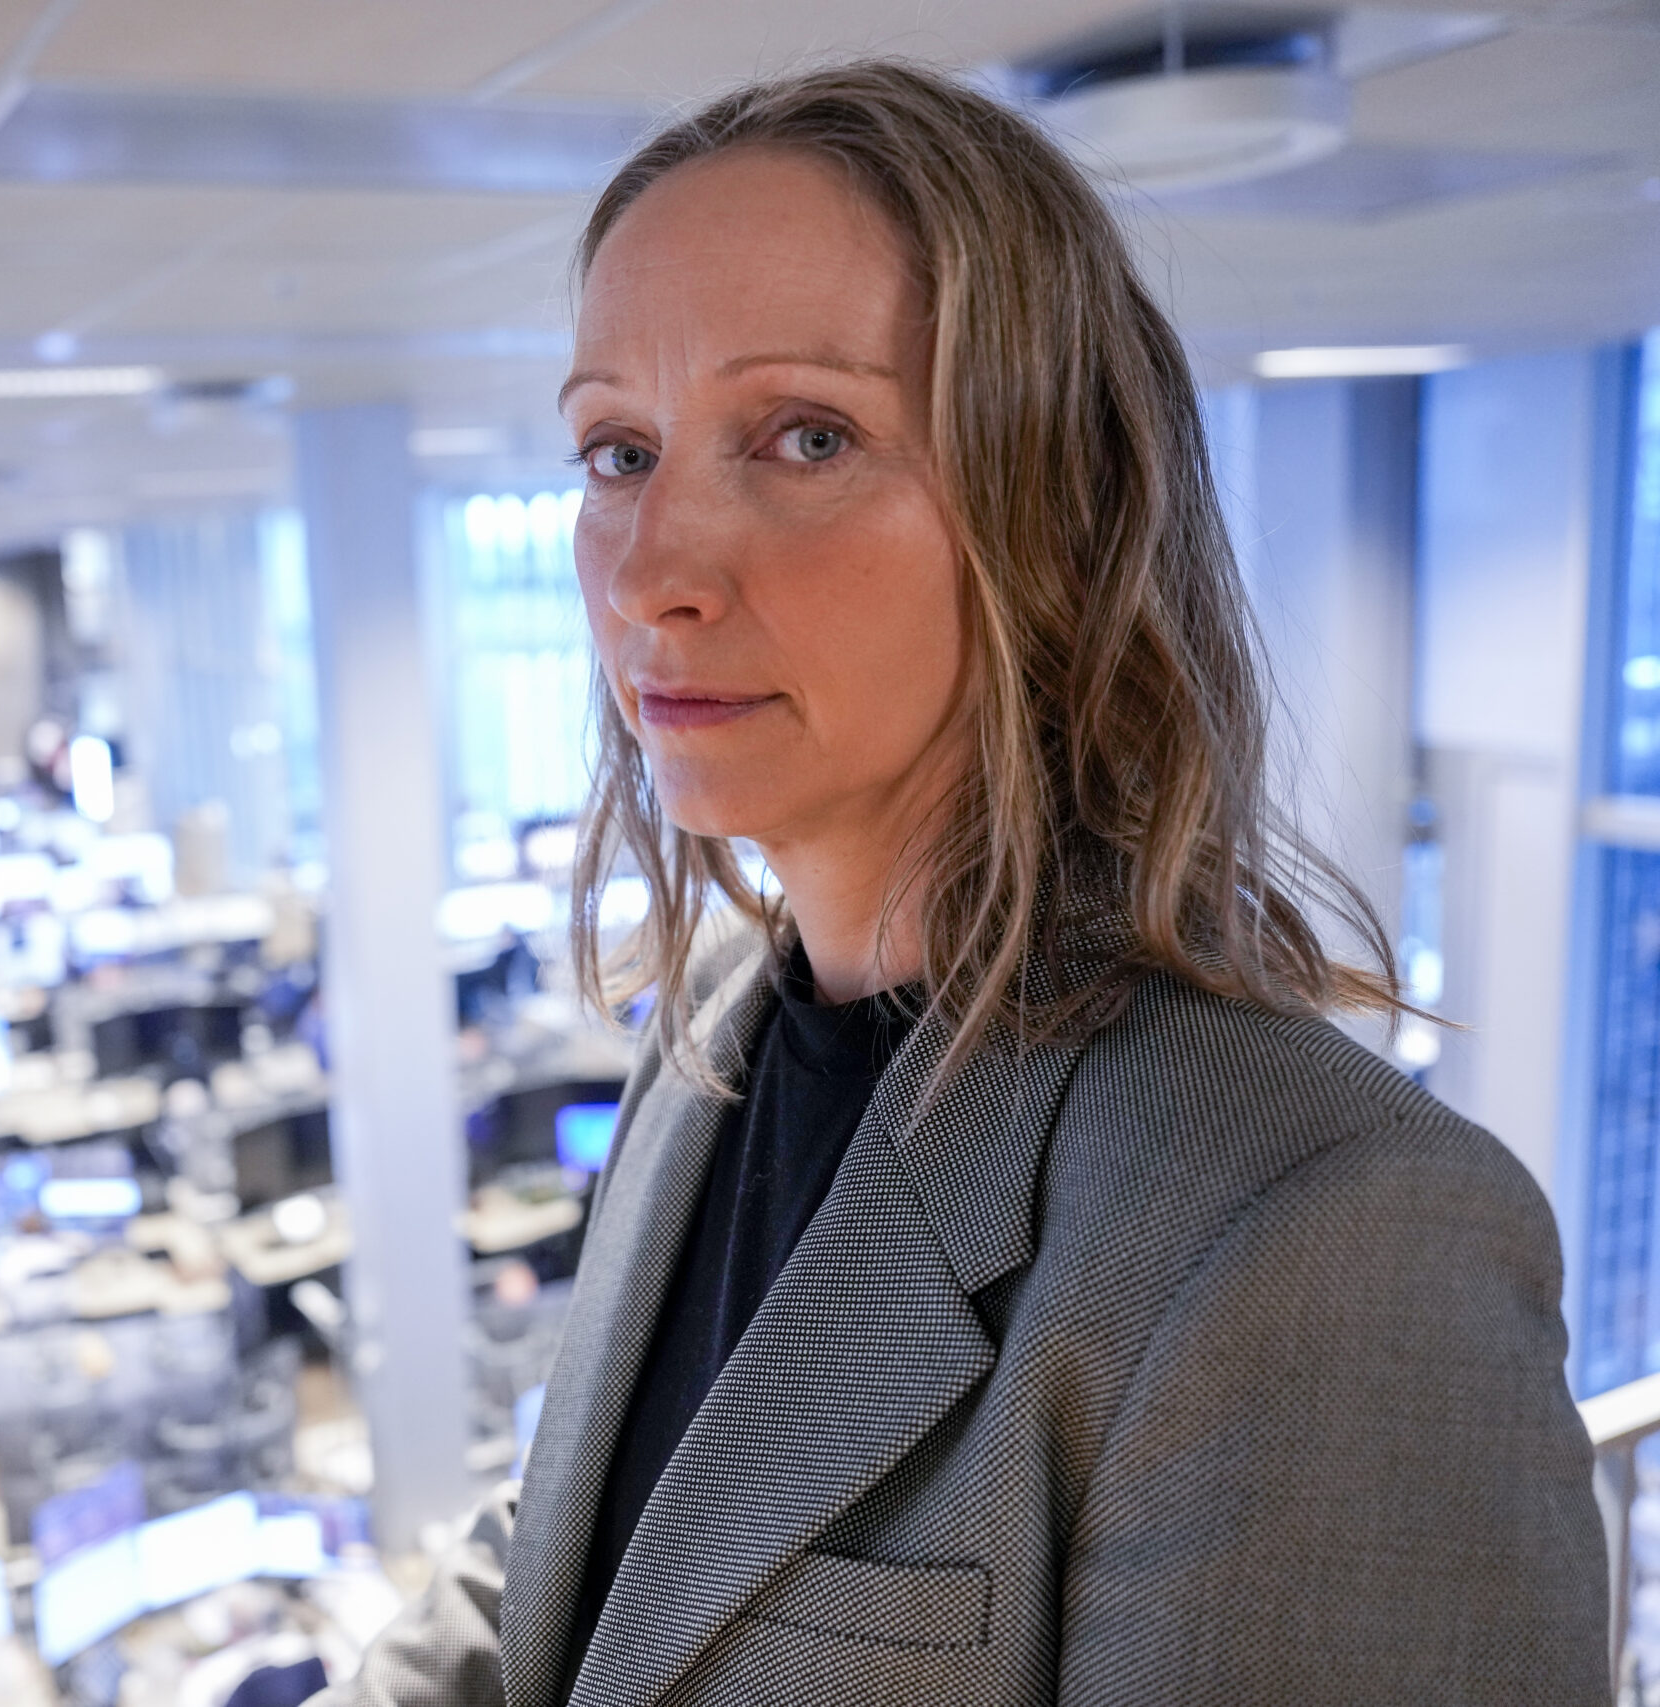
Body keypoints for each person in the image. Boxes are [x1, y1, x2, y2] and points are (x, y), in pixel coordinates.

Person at [317, 61, 1604, 1707]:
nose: (652, 574)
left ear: (1057, 515)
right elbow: (602, 1556)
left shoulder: (1325, 1231)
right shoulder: (713, 1035)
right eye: (618, 451)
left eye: (807, 437)